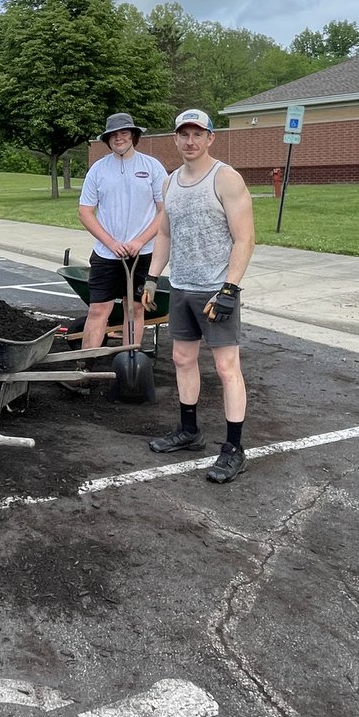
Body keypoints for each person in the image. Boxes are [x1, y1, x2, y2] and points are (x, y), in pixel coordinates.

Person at [142, 109, 255, 483]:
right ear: (175, 138)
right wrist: (152, 278)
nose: (190, 141)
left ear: (210, 138)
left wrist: (230, 289)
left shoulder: (226, 178)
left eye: (197, 134)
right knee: (182, 358)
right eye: (183, 134)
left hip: (215, 289)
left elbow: (245, 239)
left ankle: (234, 448)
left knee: (226, 367)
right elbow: (165, 234)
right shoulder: (170, 182)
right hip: (182, 286)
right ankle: (189, 431)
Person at [77, 113, 168, 351]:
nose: (119, 138)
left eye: (124, 133)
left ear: (133, 136)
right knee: (98, 310)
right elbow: (85, 212)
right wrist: (111, 243)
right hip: (106, 254)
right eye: (114, 135)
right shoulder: (98, 169)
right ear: (108, 139)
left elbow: (164, 210)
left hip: (143, 254)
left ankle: (128, 362)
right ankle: (86, 363)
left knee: (135, 308)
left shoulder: (152, 167)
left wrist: (139, 241)